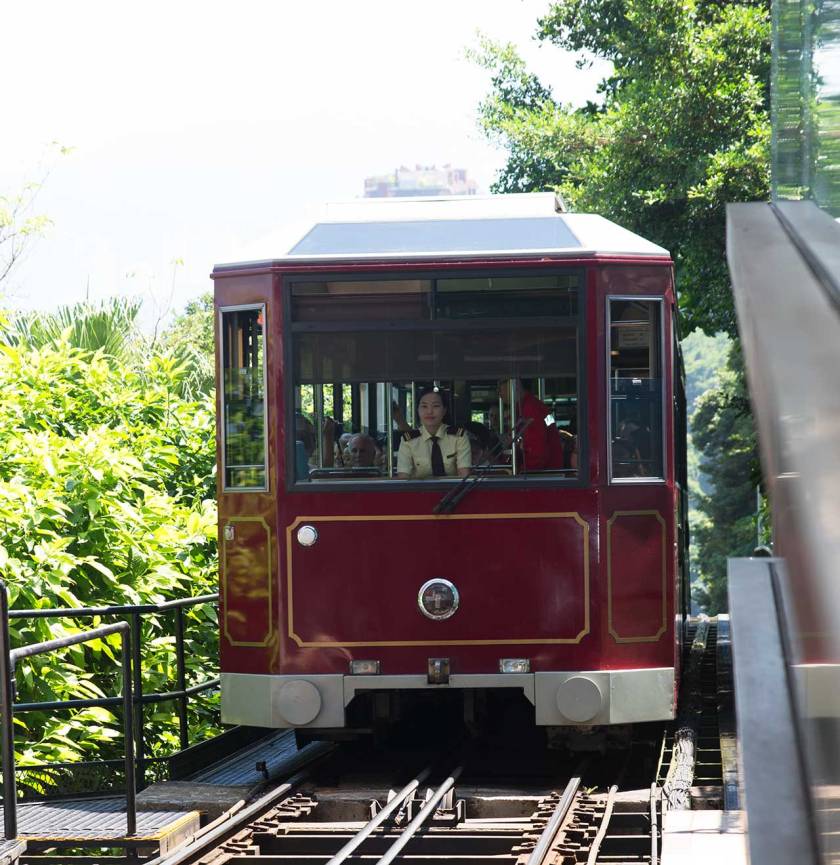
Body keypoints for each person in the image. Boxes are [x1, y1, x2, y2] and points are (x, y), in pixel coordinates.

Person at [396, 388, 471, 479]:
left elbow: (464, 476)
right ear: (418, 410)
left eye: (435, 406)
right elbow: (403, 479)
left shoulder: (459, 437)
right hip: (419, 492)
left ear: (444, 411)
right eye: (424, 406)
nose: (429, 411)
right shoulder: (408, 441)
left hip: (454, 491)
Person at [498, 379, 567, 472]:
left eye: (501, 385)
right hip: (547, 473)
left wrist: (521, 474)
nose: (499, 393)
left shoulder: (531, 409)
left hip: (543, 477)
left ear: (515, 384)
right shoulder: (530, 406)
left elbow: (536, 453)